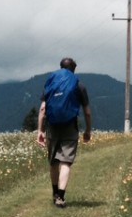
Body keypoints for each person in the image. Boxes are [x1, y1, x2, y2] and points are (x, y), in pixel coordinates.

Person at [37, 57, 92, 208]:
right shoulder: (79, 84)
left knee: (53, 161)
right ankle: (61, 197)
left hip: (52, 126)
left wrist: (40, 131)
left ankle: (54, 193)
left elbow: (43, 109)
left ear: (60, 67)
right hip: (70, 126)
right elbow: (87, 112)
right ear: (74, 69)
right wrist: (87, 130)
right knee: (65, 162)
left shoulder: (51, 82)